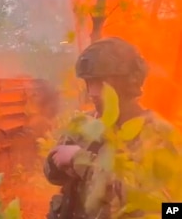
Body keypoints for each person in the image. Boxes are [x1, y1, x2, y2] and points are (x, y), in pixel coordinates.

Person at [44, 36, 153, 219]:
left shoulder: (156, 134)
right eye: (89, 83)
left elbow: (168, 208)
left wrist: (79, 161)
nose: (92, 92)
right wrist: (56, 164)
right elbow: (51, 172)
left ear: (128, 82)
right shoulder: (83, 124)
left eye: (101, 83)